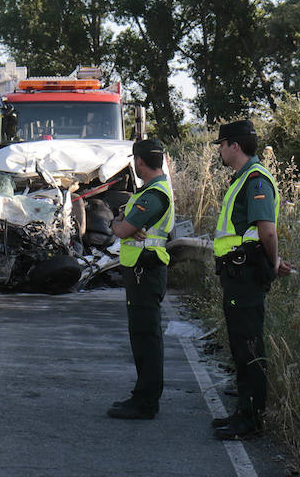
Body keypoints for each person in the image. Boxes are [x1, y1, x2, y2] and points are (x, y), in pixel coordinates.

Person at [210, 120, 293, 440]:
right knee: (240, 342)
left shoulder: (255, 179)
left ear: (235, 146)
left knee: (248, 344)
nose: (218, 149)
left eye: (221, 143)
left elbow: (266, 230)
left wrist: (272, 262)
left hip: (245, 274)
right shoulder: (244, 178)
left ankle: (252, 420)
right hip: (238, 272)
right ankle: (244, 411)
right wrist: (272, 260)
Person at [107, 138, 174, 420]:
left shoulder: (153, 195)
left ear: (140, 162)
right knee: (143, 335)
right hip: (142, 270)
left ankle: (146, 401)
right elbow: (127, 224)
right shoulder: (152, 191)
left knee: (146, 336)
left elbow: (122, 229)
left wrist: (119, 223)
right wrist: (125, 223)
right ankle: (143, 396)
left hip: (145, 272)